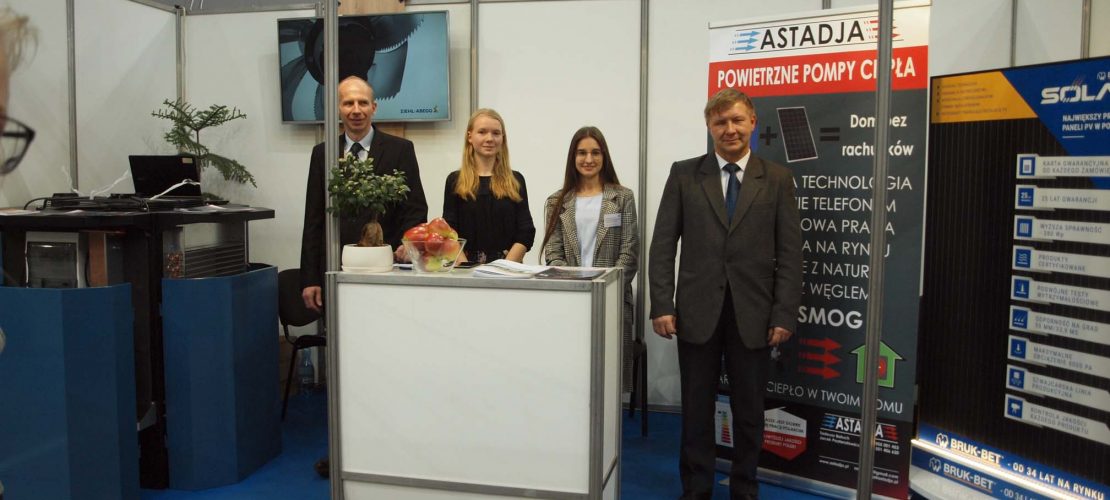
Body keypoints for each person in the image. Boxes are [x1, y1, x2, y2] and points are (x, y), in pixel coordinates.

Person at [649, 88, 802, 500]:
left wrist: (784, 313)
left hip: (755, 315)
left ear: (753, 122)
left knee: (749, 412)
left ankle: (744, 488)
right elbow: (663, 245)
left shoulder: (777, 180)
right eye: (720, 122)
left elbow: (791, 254)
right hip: (696, 312)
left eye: (737, 120)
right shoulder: (684, 175)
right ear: (709, 126)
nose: (729, 129)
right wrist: (661, 304)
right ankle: (696, 489)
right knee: (696, 410)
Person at [299, 76, 428, 312]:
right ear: (337, 108)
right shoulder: (322, 154)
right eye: (348, 103)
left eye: (363, 103)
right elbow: (313, 219)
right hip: (337, 269)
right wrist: (309, 278)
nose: (356, 110)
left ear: (374, 107)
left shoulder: (400, 150)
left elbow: (416, 209)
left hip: (388, 269)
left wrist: (408, 246)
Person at [541, 126, 637, 389]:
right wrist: (578, 290)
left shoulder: (622, 197)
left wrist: (606, 289)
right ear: (573, 157)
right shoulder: (556, 201)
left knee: (610, 377)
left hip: (613, 299)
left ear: (604, 156)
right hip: (571, 300)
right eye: (581, 153)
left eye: (595, 152)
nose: (588, 159)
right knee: (572, 376)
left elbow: (629, 253)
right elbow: (554, 254)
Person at [442, 108, 534, 263]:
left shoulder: (516, 180)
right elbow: (448, 232)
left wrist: (505, 267)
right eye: (482, 132)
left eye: (496, 133)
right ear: (470, 137)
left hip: (508, 267)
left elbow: (526, 231)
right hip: (465, 267)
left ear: (503, 138)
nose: (489, 138)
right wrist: (465, 268)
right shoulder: (455, 181)